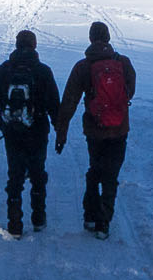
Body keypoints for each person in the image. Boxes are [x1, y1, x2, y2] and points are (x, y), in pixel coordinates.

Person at [55, 20, 136, 240]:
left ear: (91, 39)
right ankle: (103, 224)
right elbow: (130, 91)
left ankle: (90, 215)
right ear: (108, 38)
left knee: (95, 169)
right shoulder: (124, 63)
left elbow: (69, 101)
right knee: (111, 175)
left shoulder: (83, 66)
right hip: (119, 129)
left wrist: (61, 133)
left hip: (94, 130)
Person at [0, 29, 61, 238]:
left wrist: (4, 124)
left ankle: (15, 226)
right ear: (34, 46)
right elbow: (55, 105)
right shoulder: (43, 71)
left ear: (17, 44)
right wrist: (59, 131)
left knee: (15, 177)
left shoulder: (4, 70)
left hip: (13, 133)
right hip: (38, 131)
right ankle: (38, 220)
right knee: (38, 174)